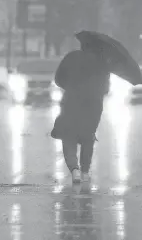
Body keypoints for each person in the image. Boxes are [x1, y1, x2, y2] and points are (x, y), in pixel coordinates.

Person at [51, 39, 110, 183]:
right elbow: (106, 88)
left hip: (71, 100)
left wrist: (71, 87)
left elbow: (58, 79)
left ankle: (74, 170)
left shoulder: (71, 58)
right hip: (93, 104)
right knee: (87, 137)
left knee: (68, 135)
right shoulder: (102, 63)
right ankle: (85, 172)